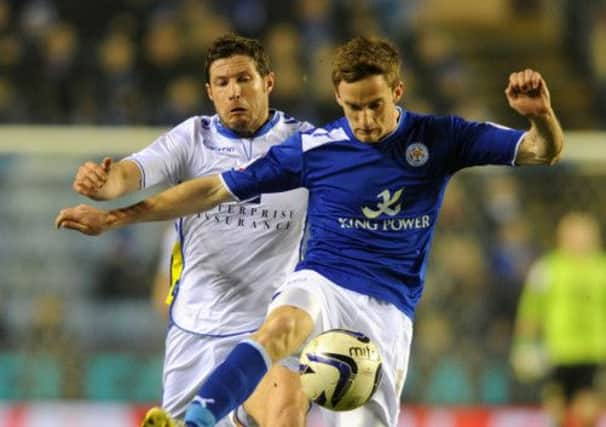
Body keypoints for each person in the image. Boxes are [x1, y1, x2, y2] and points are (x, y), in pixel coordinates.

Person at [56, 36, 564, 427]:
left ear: (397, 92)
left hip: (387, 308)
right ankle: (199, 418)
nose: (364, 120)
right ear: (337, 99)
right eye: (352, 107)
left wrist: (541, 117)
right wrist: (113, 214)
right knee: (281, 342)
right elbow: (212, 189)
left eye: (375, 106)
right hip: (316, 282)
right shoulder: (315, 148)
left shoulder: (442, 137)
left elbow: (543, 152)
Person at [68, 33, 314, 427]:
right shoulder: (191, 138)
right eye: (223, 84)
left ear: (268, 82)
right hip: (198, 329)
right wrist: (103, 183)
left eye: (244, 79)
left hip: (272, 328)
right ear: (210, 92)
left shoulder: (306, 144)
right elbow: (130, 173)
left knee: (285, 415)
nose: (234, 92)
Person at [511, 212, 606, 427]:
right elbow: (531, 312)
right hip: (556, 352)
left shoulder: (602, 269)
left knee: (587, 413)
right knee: (557, 413)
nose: (578, 239)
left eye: (583, 233)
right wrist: (524, 346)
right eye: (572, 233)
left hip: (594, 352)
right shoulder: (547, 269)